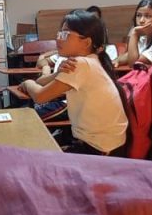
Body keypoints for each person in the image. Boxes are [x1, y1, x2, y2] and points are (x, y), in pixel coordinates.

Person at [20, 10, 128, 155]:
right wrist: (58, 73)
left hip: (99, 148)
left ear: (86, 42)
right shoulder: (90, 60)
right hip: (104, 143)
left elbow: (40, 96)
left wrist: (27, 83)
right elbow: (40, 82)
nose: (58, 39)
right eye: (59, 34)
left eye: (65, 34)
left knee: (35, 152)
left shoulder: (81, 64)